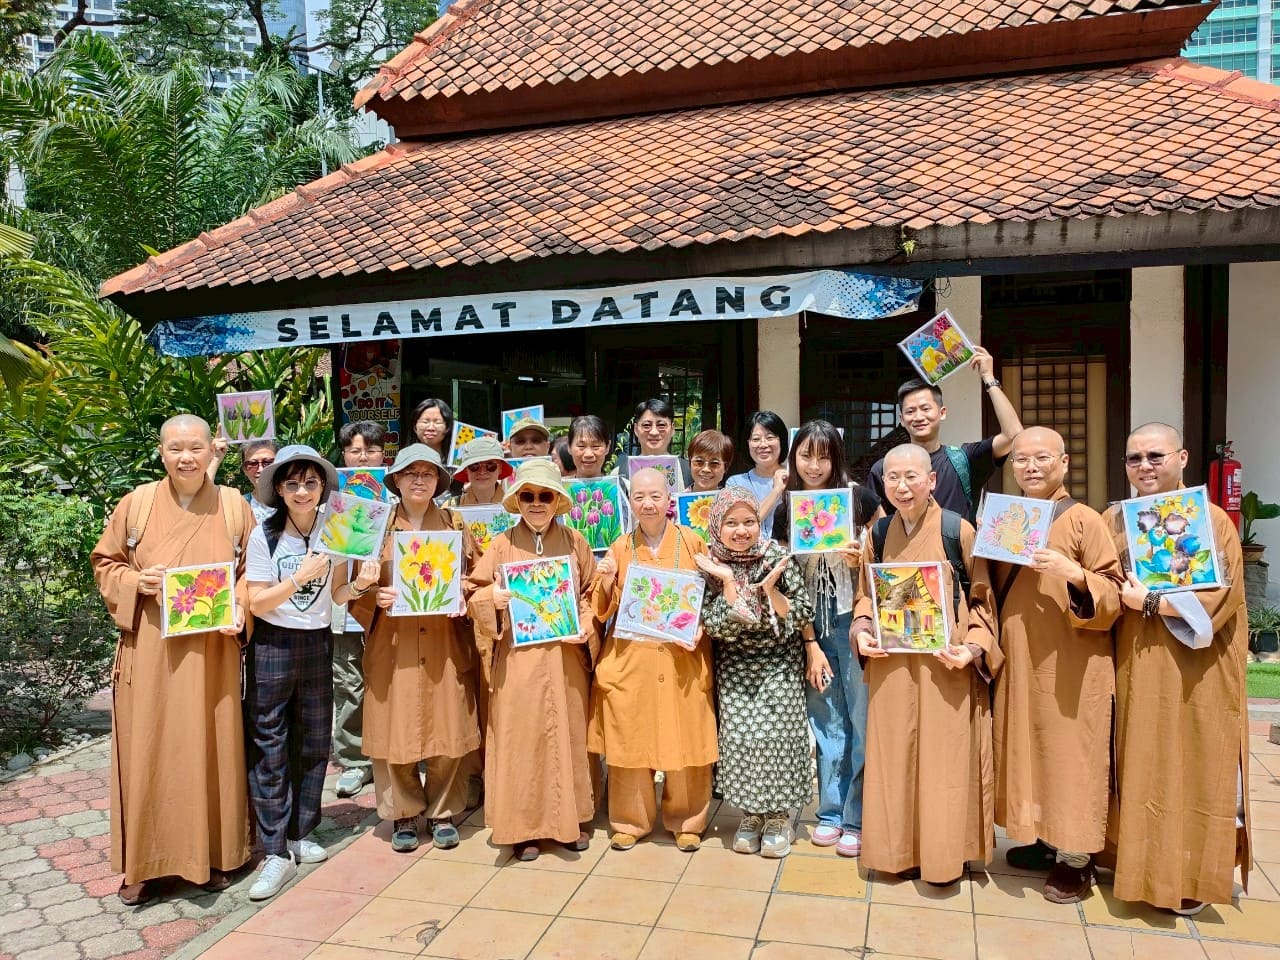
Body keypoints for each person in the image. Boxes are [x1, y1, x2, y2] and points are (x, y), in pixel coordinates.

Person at [91, 414, 253, 906]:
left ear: (211, 450)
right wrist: (134, 581)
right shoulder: (136, 504)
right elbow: (106, 563)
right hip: (152, 649)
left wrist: (241, 609)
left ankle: (213, 856)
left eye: (196, 448)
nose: (186, 457)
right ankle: (146, 863)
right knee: (148, 750)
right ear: (161, 453)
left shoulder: (232, 505)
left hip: (212, 654)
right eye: (176, 448)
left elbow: (250, 572)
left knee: (211, 748)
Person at [1102, 423, 1251, 915]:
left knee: (1192, 763)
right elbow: (1101, 581)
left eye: (1155, 456)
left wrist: (1152, 603)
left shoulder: (1211, 520)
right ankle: (1136, 866)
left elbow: (1221, 596)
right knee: (1138, 760)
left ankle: (1189, 876)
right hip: (1133, 661)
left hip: (1195, 665)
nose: (1144, 466)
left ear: (1182, 458)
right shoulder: (1115, 520)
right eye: (1134, 458)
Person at [852, 443, 999, 884]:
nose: (902, 486)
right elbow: (865, 595)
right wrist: (862, 630)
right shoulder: (878, 534)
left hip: (944, 666)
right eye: (893, 478)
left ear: (931, 480)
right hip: (893, 666)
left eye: (911, 476)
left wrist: (973, 648)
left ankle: (944, 857)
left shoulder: (957, 530)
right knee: (894, 760)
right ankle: (897, 853)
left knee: (943, 763)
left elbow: (984, 600)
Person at [990, 427, 1124, 903]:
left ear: (1064, 463)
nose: (1030, 467)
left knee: (1070, 751)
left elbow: (1114, 593)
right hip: (1020, 655)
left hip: (1072, 659)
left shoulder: (1085, 519)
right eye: (1021, 459)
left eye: (1042, 458)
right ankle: (1045, 839)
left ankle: (1076, 858)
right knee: (1031, 745)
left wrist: (1076, 574)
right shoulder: (1008, 518)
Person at [341, 444, 481, 853]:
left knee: (447, 726)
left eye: (428, 473)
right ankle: (402, 812)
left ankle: (442, 812)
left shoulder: (455, 523)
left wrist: (462, 593)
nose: (419, 480)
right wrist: (374, 595)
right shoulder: (374, 526)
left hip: (444, 642)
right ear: (396, 480)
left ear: (439, 481)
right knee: (394, 729)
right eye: (410, 473)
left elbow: (479, 577)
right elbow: (351, 589)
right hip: (393, 644)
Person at [465, 459, 600, 860]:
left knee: (569, 734)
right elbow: (473, 590)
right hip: (518, 660)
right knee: (520, 738)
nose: (536, 503)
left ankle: (571, 820)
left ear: (557, 500)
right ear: (517, 500)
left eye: (545, 495)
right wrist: (492, 599)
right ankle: (523, 828)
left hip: (565, 658)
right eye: (528, 496)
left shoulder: (576, 541)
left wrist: (586, 625)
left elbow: (591, 593)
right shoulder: (501, 543)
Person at [589, 469, 717, 852]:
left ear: (669, 499)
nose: (647, 504)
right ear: (630, 501)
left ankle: (687, 821)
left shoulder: (693, 542)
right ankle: (631, 821)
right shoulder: (619, 546)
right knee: (630, 740)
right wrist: (606, 579)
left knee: (686, 739)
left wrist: (702, 624)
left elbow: (711, 595)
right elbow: (601, 608)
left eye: (655, 496)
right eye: (639, 497)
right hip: (633, 661)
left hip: (682, 659)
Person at [243, 445, 339, 900]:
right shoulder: (264, 534)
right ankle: (274, 850)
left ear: (322, 488)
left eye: (311, 483)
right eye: (293, 484)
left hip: (318, 642)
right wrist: (300, 577)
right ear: (279, 490)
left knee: (315, 740)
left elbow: (340, 592)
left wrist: (362, 583)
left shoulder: (337, 529)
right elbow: (256, 601)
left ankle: (302, 831)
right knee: (270, 744)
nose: (302, 492)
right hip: (273, 644)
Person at [697, 487, 813, 858]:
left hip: (779, 661)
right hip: (735, 665)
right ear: (718, 526)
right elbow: (714, 624)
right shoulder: (710, 564)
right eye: (731, 523)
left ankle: (778, 818)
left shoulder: (776, 556)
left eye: (749, 521)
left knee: (777, 737)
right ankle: (750, 815)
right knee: (740, 740)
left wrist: (771, 592)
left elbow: (802, 612)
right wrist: (730, 583)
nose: (741, 530)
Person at [770, 421, 867, 858]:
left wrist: (860, 558)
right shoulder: (787, 509)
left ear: (836, 458)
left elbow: (883, 557)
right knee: (826, 718)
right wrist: (809, 641)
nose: (814, 465)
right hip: (811, 623)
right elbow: (787, 582)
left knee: (860, 717)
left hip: (851, 617)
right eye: (805, 455)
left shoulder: (859, 499)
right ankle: (829, 812)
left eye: (823, 456)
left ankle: (857, 816)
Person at [867, 347, 1022, 521]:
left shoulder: (966, 460)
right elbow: (878, 527)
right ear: (902, 419)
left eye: (925, 409)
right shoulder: (885, 469)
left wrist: (989, 378)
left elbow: (1013, 434)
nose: (918, 417)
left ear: (942, 413)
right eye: (910, 411)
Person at [332, 421, 385, 800]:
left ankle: (395, 754)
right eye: (355, 451)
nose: (363, 457)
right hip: (345, 608)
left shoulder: (396, 498)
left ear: (383, 454)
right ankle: (354, 761)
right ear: (344, 455)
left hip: (386, 608)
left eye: (370, 450)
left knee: (390, 681)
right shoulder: (331, 499)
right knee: (349, 685)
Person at [727, 411, 788, 538]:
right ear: (748, 444)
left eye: (770, 438)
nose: (763, 445)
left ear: (781, 441)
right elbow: (744, 524)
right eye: (756, 439)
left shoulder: (796, 477)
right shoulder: (735, 483)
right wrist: (777, 490)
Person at [615, 399, 694, 488]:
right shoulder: (618, 474)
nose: (654, 432)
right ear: (636, 430)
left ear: (672, 429)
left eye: (661, 425)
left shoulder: (690, 472)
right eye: (646, 425)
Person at [447, 435, 513, 506]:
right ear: (466, 470)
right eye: (474, 466)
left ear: (500, 468)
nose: (482, 472)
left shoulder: (516, 506)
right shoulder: (450, 507)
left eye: (490, 465)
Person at [411, 397, 455, 462]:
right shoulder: (404, 458)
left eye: (437, 422)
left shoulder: (456, 461)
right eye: (425, 422)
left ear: (447, 427)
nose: (431, 428)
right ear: (415, 427)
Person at [567, 414, 610, 480]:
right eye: (581, 446)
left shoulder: (619, 485)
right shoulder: (558, 486)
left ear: (607, 447)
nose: (588, 454)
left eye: (596, 446)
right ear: (569, 447)